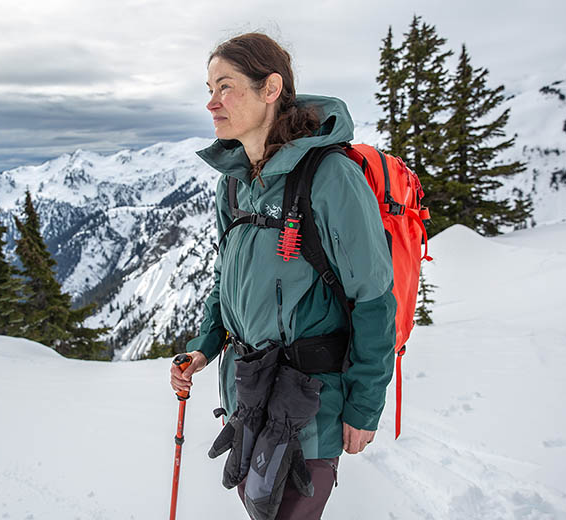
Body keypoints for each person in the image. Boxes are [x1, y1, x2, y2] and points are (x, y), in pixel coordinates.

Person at [169, 32, 397, 519]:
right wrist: (204, 348)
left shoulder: (329, 176)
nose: (212, 102)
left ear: (270, 88)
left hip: (309, 402)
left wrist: (363, 407)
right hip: (247, 396)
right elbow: (225, 282)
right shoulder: (232, 185)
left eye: (225, 86)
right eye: (208, 87)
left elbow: (374, 297)